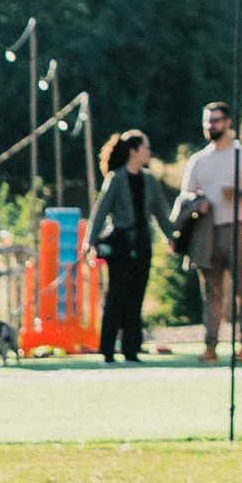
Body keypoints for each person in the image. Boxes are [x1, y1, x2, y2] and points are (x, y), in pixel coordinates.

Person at [179, 104, 242, 366]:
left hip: (239, 226)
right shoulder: (199, 160)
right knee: (212, 291)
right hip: (208, 229)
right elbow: (186, 194)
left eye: (215, 121)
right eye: (207, 122)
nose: (211, 126)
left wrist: (238, 193)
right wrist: (197, 203)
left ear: (228, 122)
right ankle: (210, 346)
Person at [89, 133, 153, 364]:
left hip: (143, 242)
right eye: (145, 147)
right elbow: (101, 210)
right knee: (117, 295)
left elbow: (161, 213)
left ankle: (131, 348)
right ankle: (107, 349)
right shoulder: (116, 178)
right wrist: (90, 241)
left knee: (136, 297)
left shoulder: (149, 180)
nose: (149, 152)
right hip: (121, 243)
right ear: (134, 150)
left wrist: (174, 238)